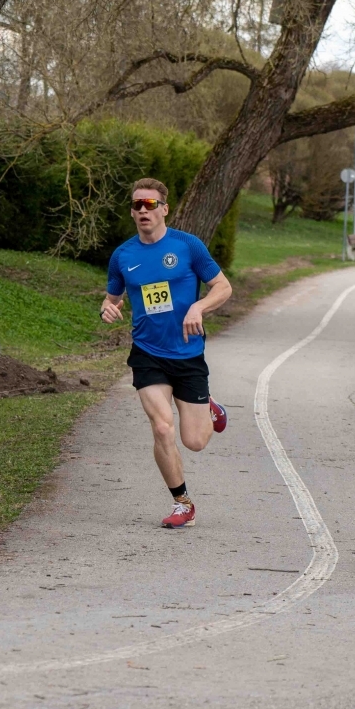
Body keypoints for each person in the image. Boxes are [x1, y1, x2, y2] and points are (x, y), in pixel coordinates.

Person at [100, 178, 232, 530]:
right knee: (161, 427)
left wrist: (199, 308)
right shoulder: (123, 255)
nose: (143, 210)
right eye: (137, 204)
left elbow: (223, 286)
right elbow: (112, 298)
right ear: (132, 212)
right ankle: (182, 502)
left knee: (195, 441)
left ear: (164, 209)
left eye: (149, 203)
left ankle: (208, 404)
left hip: (188, 355)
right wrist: (107, 308)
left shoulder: (187, 246)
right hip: (147, 352)